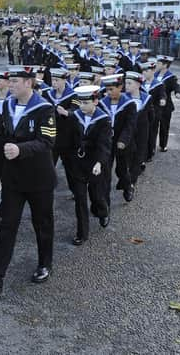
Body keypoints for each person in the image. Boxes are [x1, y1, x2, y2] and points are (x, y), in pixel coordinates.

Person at [0, 65, 57, 294]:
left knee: (42, 224)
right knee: (7, 225)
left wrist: (21, 150)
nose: (10, 85)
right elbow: (2, 139)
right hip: (13, 178)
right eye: (10, 81)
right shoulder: (8, 105)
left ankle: (44, 264)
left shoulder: (44, 109)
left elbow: (46, 142)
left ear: (29, 83)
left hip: (39, 178)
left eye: (15, 81)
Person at [59, 86, 112, 245]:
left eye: (86, 102)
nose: (82, 106)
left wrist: (99, 163)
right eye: (80, 102)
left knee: (96, 195)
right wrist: (66, 157)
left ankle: (103, 212)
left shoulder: (104, 119)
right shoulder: (75, 116)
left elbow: (104, 144)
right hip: (78, 163)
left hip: (95, 163)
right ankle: (82, 233)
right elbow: (70, 138)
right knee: (80, 199)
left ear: (95, 101)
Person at [100, 74, 137, 203]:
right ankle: (105, 205)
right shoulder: (102, 104)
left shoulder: (129, 104)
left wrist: (123, 140)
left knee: (121, 170)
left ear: (120, 87)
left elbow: (130, 125)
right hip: (106, 143)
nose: (109, 92)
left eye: (112, 89)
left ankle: (127, 186)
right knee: (105, 173)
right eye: (107, 90)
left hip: (122, 143)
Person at [125, 71, 152, 186]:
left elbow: (151, 115)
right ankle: (131, 172)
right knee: (129, 154)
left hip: (142, 130)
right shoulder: (124, 98)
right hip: (128, 131)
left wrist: (145, 126)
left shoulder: (146, 98)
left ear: (138, 85)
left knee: (139, 153)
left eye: (129, 83)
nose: (126, 86)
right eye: (125, 83)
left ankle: (132, 181)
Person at [153, 55, 180, 152]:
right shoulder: (154, 75)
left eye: (159, 63)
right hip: (154, 105)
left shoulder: (170, 77)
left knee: (164, 126)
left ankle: (163, 145)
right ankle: (151, 146)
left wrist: (178, 92)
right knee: (153, 127)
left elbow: (177, 86)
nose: (156, 65)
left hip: (166, 106)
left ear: (165, 65)